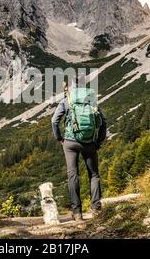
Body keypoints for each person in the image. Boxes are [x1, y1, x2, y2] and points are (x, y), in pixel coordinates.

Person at [51, 76, 107, 221]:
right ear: (84, 87)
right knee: (94, 175)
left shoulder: (66, 100)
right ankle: (96, 209)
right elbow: (103, 121)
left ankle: (77, 213)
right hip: (90, 143)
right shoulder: (91, 100)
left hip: (70, 142)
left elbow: (54, 121)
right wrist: (99, 141)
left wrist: (59, 138)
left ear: (71, 87)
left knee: (73, 175)